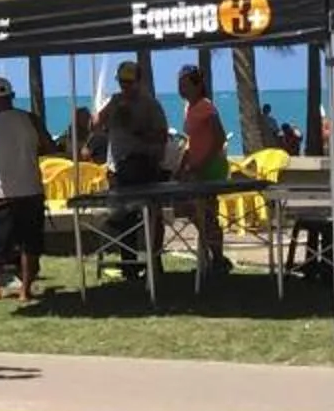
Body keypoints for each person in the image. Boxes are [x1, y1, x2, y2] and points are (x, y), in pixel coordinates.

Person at [0, 77, 49, 303]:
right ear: (12, 96)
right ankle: (25, 290)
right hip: (31, 189)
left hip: (1, 194)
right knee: (30, 242)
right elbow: (48, 146)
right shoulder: (31, 119)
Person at [99, 62, 172, 274]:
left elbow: (161, 137)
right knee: (124, 217)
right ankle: (128, 264)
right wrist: (107, 111)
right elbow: (95, 126)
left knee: (152, 216)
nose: (125, 87)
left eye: (129, 82)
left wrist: (136, 130)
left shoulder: (150, 105)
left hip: (144, 165)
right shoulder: (114, 101)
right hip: (118, 168)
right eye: (122, 82)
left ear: (139, 82)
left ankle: (155, 261)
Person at [175, 66, 234, 278]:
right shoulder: (188, 107)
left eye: (184, 84)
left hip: (211, 166)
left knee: (208, 213)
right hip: (195, 166)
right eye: (179, 84)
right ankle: (212, 255)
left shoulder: (206, 107)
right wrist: (183, 166)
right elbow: (191, 141)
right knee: (191, 209)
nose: (181, 88)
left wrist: (200, 164)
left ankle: (217, 258)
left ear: (197, 85)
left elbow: (219, 138)